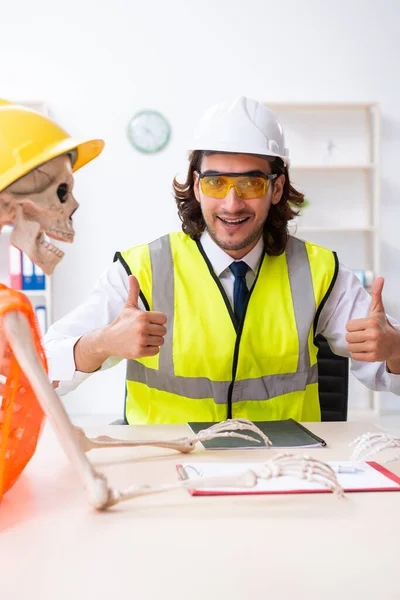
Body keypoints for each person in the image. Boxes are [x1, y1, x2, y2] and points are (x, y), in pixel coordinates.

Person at [44, 96, 400, 424]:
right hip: (166, 466)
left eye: (251, 184)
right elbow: (45, 368)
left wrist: (395, 346)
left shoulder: (319, 272)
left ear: (276, 188)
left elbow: (388, 375)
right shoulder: (141, 271)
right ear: (197, 186)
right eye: (216, 183)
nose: (232, 204)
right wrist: (102, 343)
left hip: (282, 467)